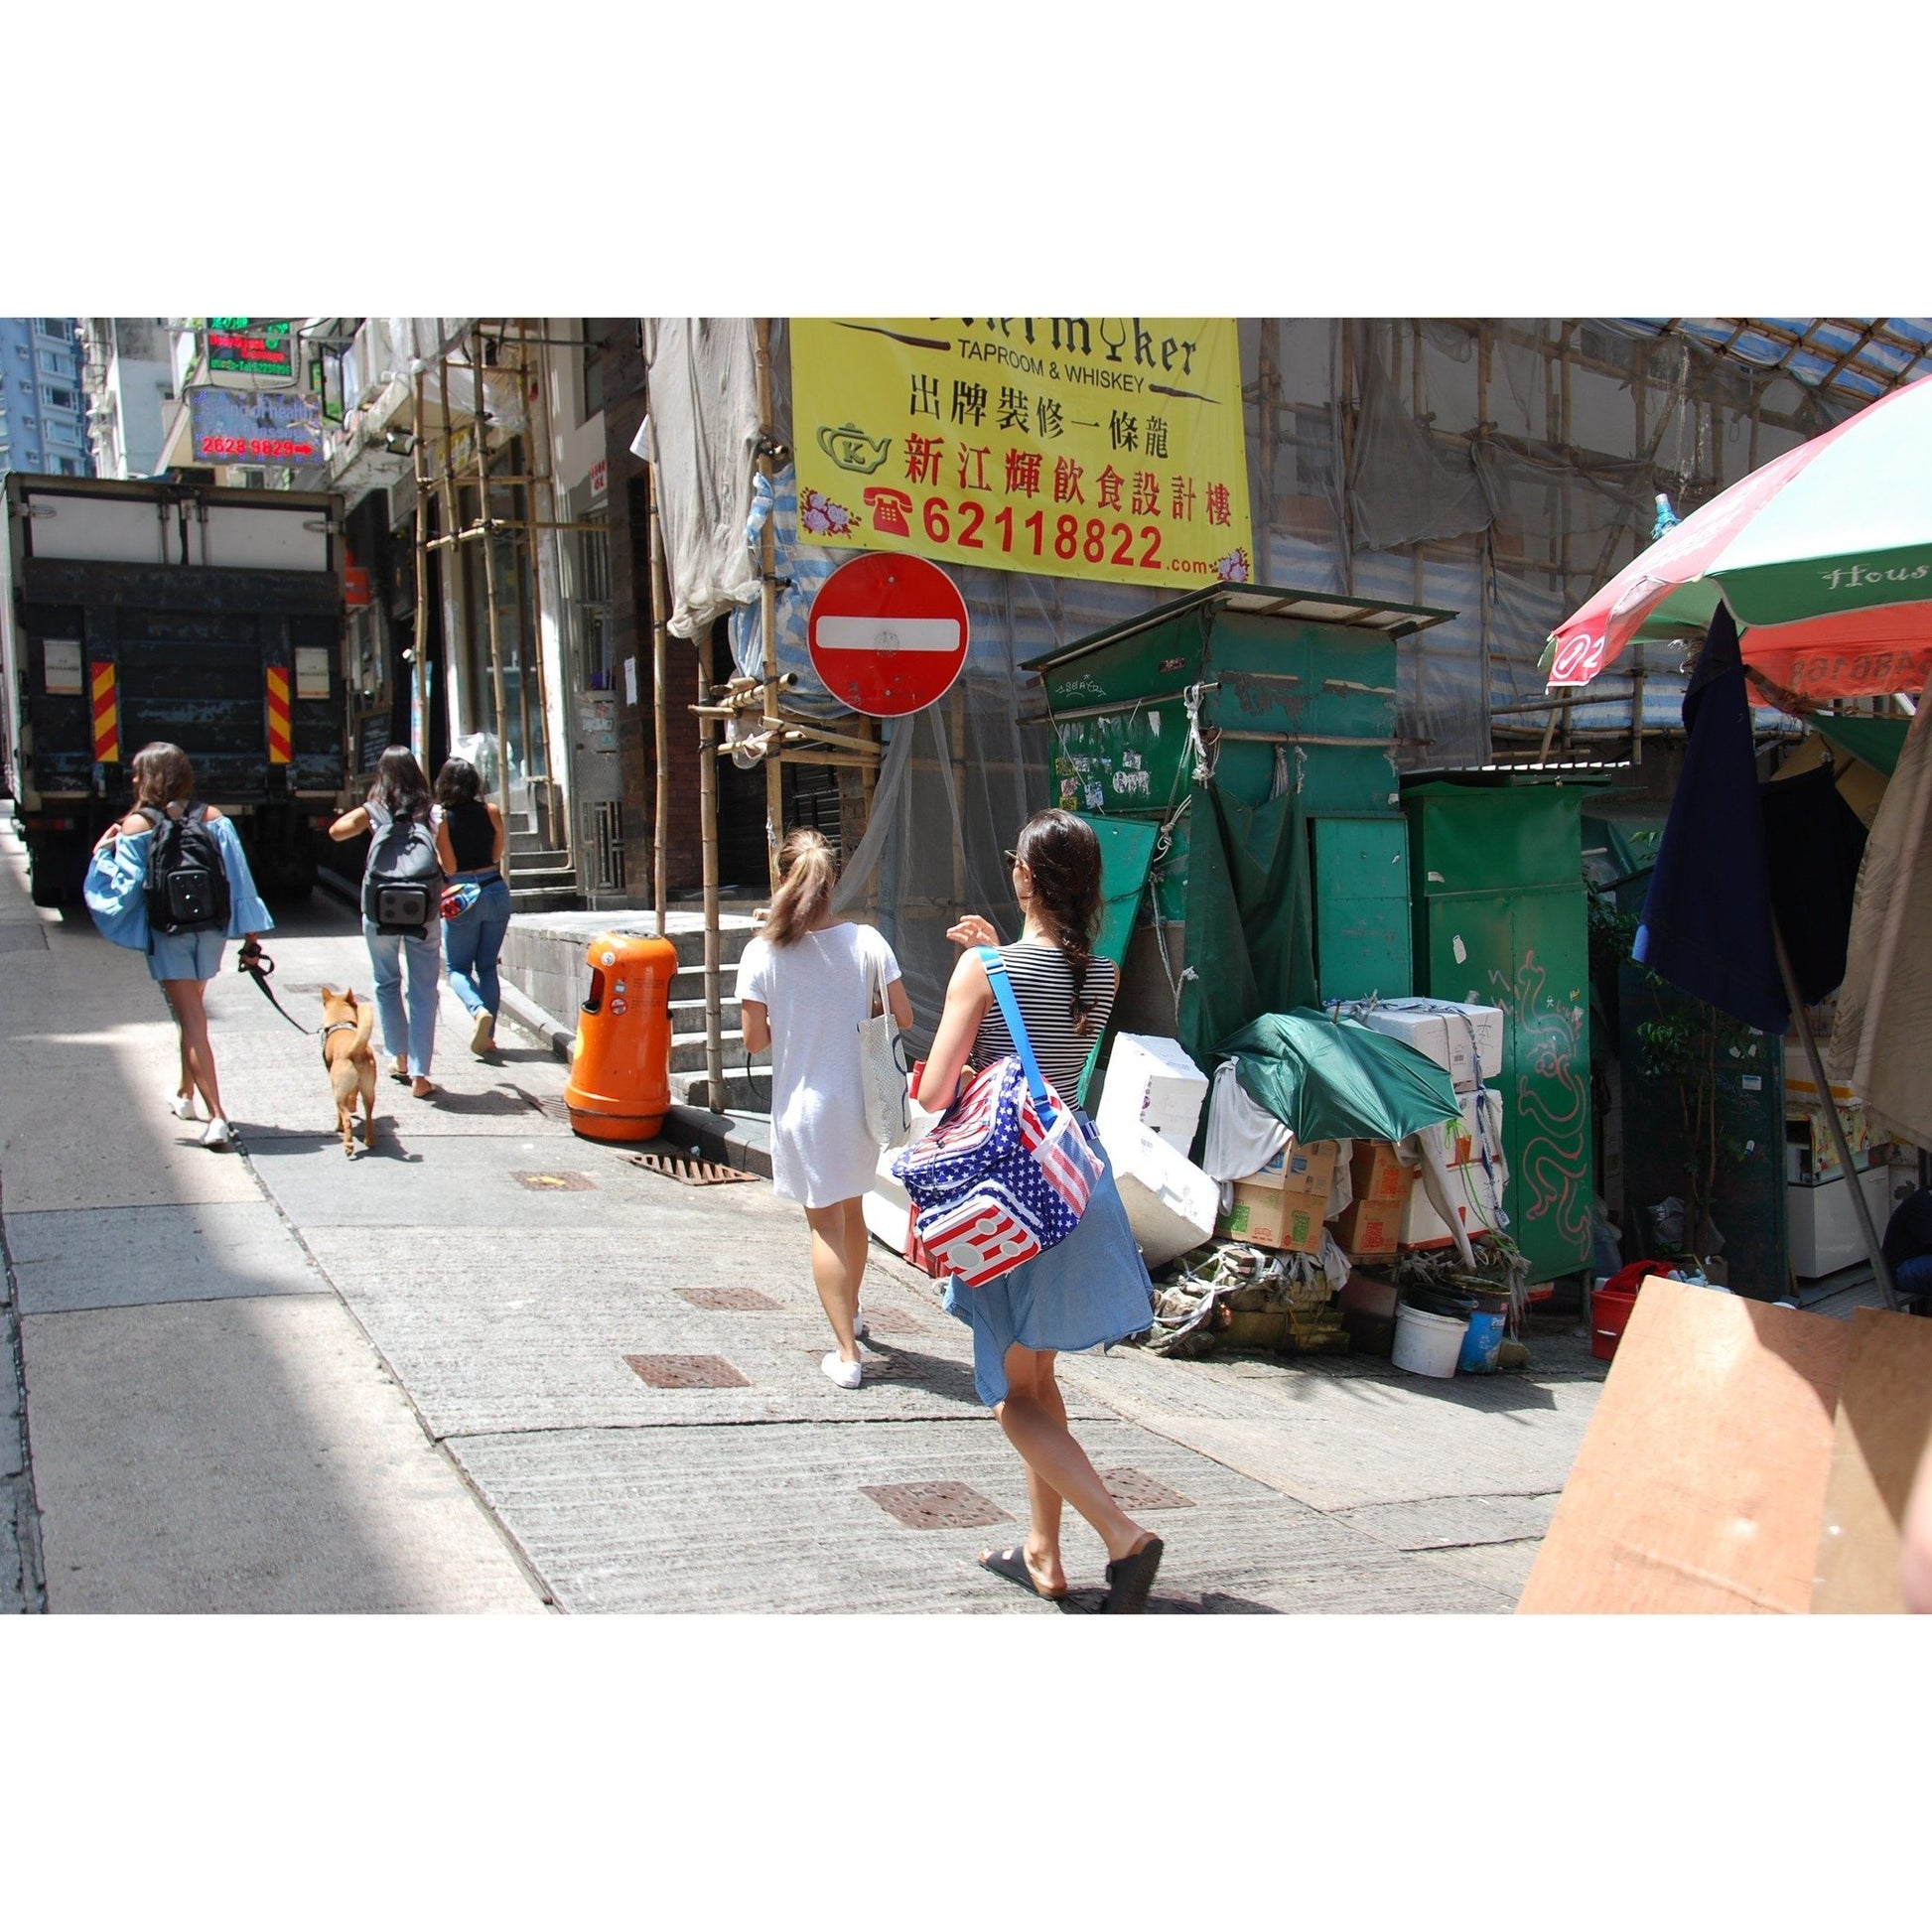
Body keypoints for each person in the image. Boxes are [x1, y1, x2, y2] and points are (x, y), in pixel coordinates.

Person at [917, 807, 1165, 1613]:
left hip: (1007, 1200)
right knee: (1040, 1378)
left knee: (1011, 1393)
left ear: (1023, 877)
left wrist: (982, 967)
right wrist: (995, 953)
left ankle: (1123, 1535)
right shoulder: (1103, 973)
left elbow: (935, 1091)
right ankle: (1043, 1554)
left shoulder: (983, 971)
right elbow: (1050, 1032)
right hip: (1068, 1181)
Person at [738, 828, 912, 1390]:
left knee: (824, 1227)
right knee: (853, 1213)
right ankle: (853, 1313)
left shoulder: (761, 952)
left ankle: (846, 1353)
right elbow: (903, 1017)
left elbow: (755, 1042)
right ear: (832, 881)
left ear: (780, 878)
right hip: (861, 1101)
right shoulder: (866, 943)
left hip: (804, 1108)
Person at [84, 741, 273, 1151]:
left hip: (169, 933)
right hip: (211, 930)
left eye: (138, 772)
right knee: (192, 1015)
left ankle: (218, 1117)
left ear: (150, 778)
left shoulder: (137, 825)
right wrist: (252, 939)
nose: (133, 779)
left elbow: (124, 893)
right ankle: (185, 1096)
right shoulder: (214, 818)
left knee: (192, 1021)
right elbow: (240, 882)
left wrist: (101, 855)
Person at [329, 748, 440, 1099]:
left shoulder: (373, 812)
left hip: (379, 910)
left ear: (382, 777)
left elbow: (335, 832)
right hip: (424, 911)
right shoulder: (431, 813)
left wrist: (369, 815)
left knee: (386, 983)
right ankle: (421, 1076)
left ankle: (400, 1058)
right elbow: (447, 859)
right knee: (424, 989)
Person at [433, 756, 510, 1057]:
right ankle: (488, 1037)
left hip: (461, 895)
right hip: (494, 890)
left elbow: (450, 865)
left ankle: (478, 1011)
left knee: (457, 968)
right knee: (488, 966)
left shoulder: (442, 820)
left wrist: (441, 857)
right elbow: (496, 854)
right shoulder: (491, 811)